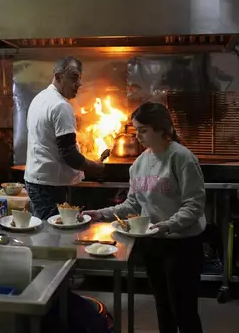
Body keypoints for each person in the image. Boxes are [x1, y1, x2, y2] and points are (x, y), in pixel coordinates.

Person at [83, 101, 206, 333]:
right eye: (136, 130)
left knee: (184, 309)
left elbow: (194, 204)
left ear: (162, 129)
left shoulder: (182, 158)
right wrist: (99, 214)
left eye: (143, 130)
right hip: (153, 244)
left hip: (182, 244)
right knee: (162, 306)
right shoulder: (138, 164)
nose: (138, 136)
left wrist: (168, 226)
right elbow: (132, 205)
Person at [24, 56, 104, 220]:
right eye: (74, 77)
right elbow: (69, 154)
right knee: (53, 235)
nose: (79, 84)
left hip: (37, 182)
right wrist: (95, 167)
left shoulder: (39, 98)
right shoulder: (60, 106)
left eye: (80, 79)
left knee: (44, 233)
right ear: (59, 76)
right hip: (50, 186)